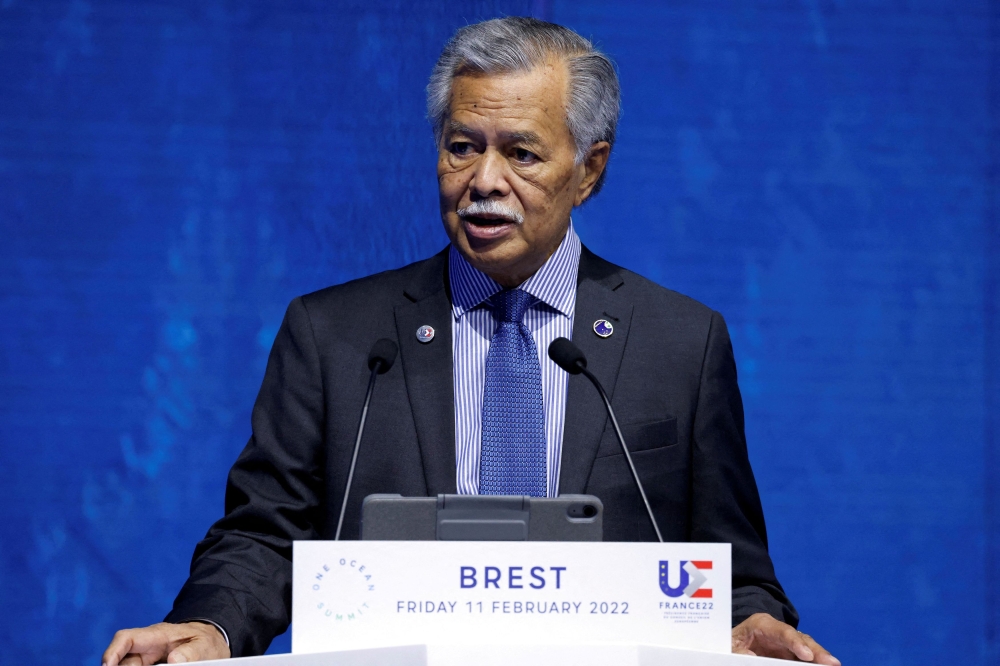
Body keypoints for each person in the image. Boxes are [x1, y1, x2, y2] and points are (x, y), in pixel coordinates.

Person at [103, 17, 839, 665]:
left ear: (589, 170)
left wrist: (751, 623)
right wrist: (207, 625)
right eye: (462, 147)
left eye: (521, 153)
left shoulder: (681, 341)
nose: (483, 181)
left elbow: (730, 562)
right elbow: (265, 535)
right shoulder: (335, 335)